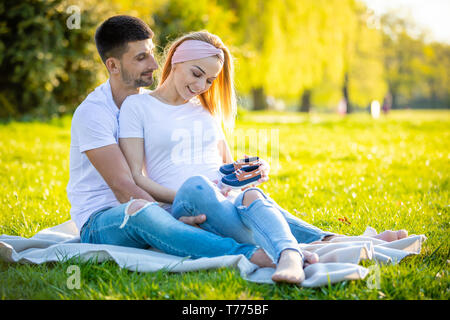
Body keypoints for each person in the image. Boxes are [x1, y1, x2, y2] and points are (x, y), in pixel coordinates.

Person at [118, 31, 409, 284]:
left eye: (209, 80)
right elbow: (137, 177)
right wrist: (199, 193)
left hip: (224, 201)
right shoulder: (138, 106)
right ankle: (300, 246)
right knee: (198, 185)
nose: (201, 85)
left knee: (251, 195)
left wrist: (248, 172)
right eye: (196, 73)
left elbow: (226, 171)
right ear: (177, 60)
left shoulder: (205, 110)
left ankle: (322, 245)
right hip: (184, 203)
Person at [67, 15, 288, 274]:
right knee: (141, 210)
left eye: (151, 53)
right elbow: (123, 186)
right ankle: (247, 254)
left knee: (244, 200)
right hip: (103, 220)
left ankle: (293, 243)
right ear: (113, 66)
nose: (154, 63)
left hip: (157, 205)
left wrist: (236, 174)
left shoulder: (149, 104)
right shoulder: (94, 113)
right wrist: (174, 218)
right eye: (140, 58)